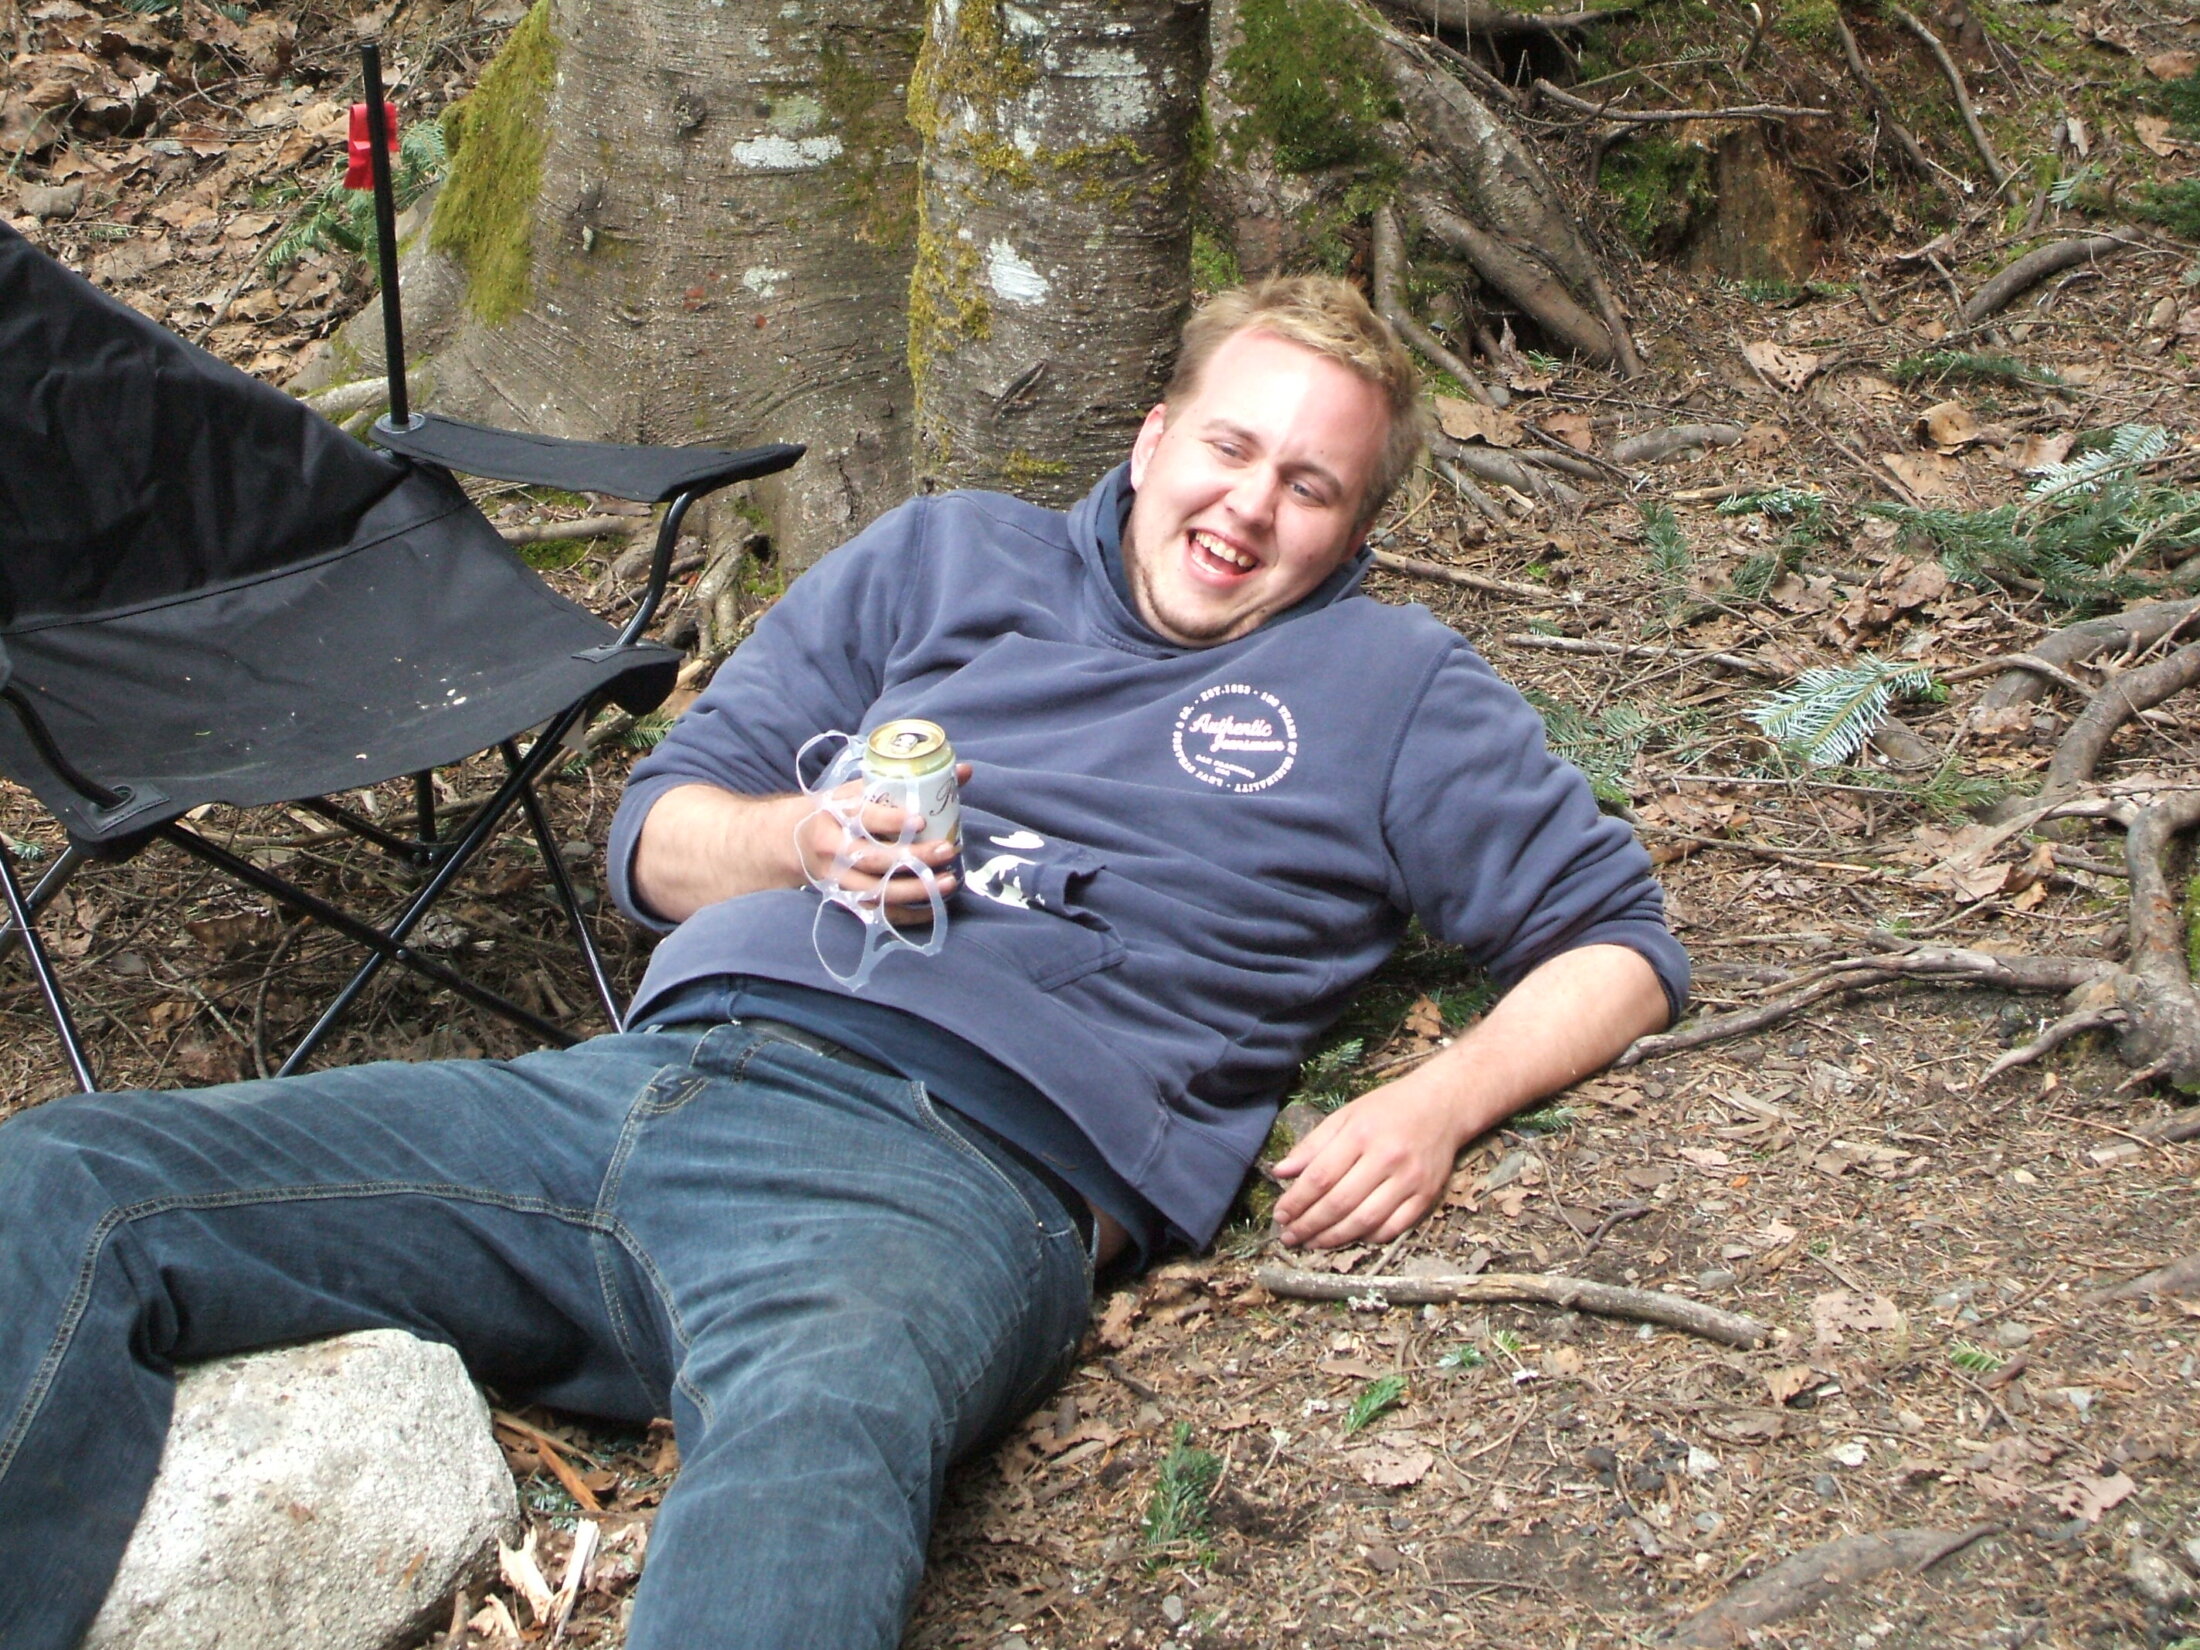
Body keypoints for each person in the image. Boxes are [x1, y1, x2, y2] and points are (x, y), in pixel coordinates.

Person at [0, 277, 1685, 1650]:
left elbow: (1621, 941)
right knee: (74, 1177)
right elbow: (654, 835)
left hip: (947, 1183)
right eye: (1230, 446)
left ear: (1354, 527)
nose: (1248, 505)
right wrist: (800, 842)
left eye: (1309, 484)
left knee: (806, 1451)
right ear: (1154, 435)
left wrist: (1434, 1103)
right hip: (630, 1096)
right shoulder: (947, 556)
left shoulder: (1392, 689)